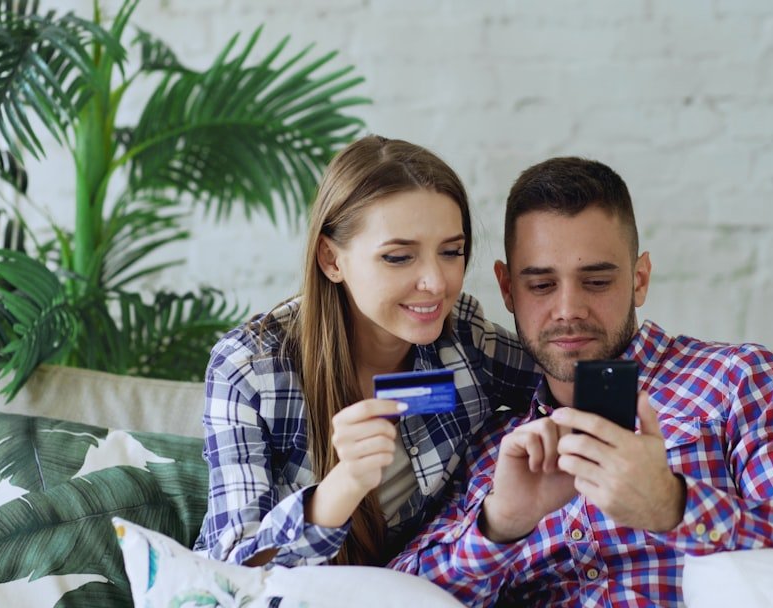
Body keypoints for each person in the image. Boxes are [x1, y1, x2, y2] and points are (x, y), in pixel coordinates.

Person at [388, 157, 773, 606]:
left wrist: (674, 506)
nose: (568, 310)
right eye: (540, 285)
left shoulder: (739, 381)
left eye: (597, 281)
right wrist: (498, 528)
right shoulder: (494, 448)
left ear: (640, 279)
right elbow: (392, 594)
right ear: (507, 289)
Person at [194, 135, 540, 568]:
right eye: (398, 257)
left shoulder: (465, 340)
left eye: (451, 251)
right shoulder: (249, 369)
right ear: (331, 259)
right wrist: (346, 482)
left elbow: (566, 381)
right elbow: (236, 571)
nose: (436, 282)